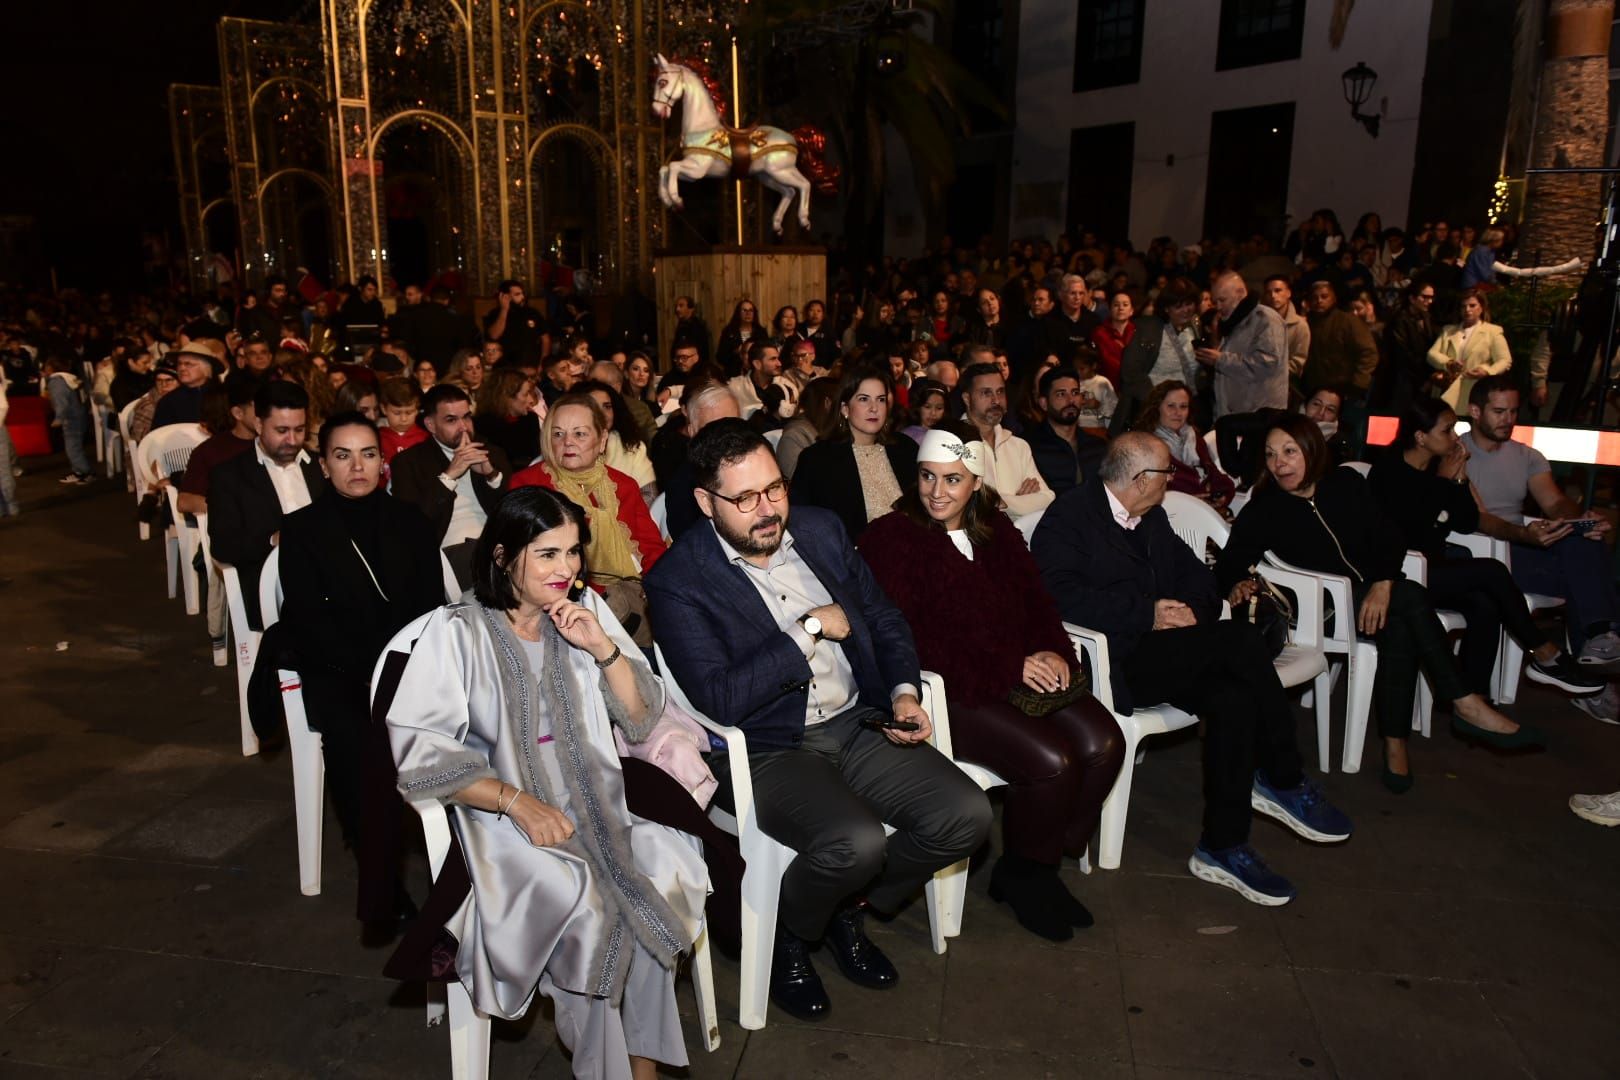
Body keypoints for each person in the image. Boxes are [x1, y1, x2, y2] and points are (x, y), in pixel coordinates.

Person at [644, 420, 991, 1021]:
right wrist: (805, 630)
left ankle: (840, 910)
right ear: (705, 502)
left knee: (965, 817)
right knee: (852, 842)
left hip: (858, 720)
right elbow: (723, 699)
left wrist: (906, 694)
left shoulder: (821, 530)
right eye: (745, 497)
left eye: (775, 488)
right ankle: (785, 936)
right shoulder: (678, 580)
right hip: (767, 747)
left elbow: (882, 618)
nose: (768, 509)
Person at [385, 487, 707, 1079]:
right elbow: (419, 750)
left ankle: (644, 1070)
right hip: (504, 820)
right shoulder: (458, 633)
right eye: (548, 555)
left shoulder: (579, 618)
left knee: (658, 876)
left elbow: (639, 717)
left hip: (599, 806)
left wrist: (605, 648)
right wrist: (516, 801)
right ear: (505, 556)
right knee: (585, 910)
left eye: (573, 553)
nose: (567, 570)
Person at [1032, 432, 1351, 905]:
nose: (1174, 478)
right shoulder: (1069, 520)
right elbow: (1057, 596)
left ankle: (1222, 846)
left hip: (1175, 649)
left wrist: (1189, 612)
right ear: (1140, 479)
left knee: (1234, 697)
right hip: (1115, 661)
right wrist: (1148, 613)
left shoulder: (1151, 516)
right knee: (1242, 642)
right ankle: (1283, 775)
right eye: (1166, 472)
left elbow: (1201, 579)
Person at [859, 429, 1123, 940]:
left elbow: (1038, 603)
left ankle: (1036, 857)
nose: (937, 492)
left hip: (1014, 673)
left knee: (1103, 742)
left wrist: (1053, 650)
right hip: (952, 688)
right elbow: (910, 640)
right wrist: (1010, 664)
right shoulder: (892, 538)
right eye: (928, 477)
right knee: (1052, 762)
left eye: (953, 480)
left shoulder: (997, 530)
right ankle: (1029, 876)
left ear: (977, 484)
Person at [1217, 414, 1543, 793]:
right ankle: (1462, 702)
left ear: (1311, 449)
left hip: (1375, 596)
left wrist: (1384, 582)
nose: (1280, 463)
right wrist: (1237, 582)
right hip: (1323, 610)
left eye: (1290, 451)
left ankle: (1397, 744)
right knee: (1410, 599)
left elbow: (1388, 536)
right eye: (1271, 455)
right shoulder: (1264, 509)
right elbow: (1226, 566)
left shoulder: (1345, 484)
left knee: (1400, 617)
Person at [275, 412, 445, 925]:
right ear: (324, 465)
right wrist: (372, 679)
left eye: (368, 454)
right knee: (361, 744)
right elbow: (308, 620)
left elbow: (429, 608)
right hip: (339, 673)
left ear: (383, 462)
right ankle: (384, 887)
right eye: (343, 455)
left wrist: (406, 674)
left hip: (406, 671)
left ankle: (467, 867)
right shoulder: (302, 530)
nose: (357, 466)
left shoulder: (410, 521)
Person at [1369, 397, 1602, 718]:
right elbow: (1409, 535)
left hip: (1433, 568)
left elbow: (1465, 520)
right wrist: (1442, 484)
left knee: (1485, 603)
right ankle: (1546, 653)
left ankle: (1471, 697)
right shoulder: (1389, 471)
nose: (1455, 438)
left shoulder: (1440, 467)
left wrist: (1459, 479)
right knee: (1491, 571)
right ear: (1421, 437)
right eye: (1447, 430)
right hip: (1399, 574)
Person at [1462, 376, 1620, 673]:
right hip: (1481, 550)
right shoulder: (1457, 454)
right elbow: (1477, 518)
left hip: (1521, 543)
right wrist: (1524, 534)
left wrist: (1581, 520)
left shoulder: (1527, 455)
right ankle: (1592, 660)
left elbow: (1555, 503)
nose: (1508, 420)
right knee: (1587, 578)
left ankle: (1597, 643)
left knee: (1585, 541)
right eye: (1499, 411)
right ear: (1475, 411)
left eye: (1513, 412)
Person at [511, 393, 666, 645]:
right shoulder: (528, 485)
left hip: (628, 604)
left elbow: (651, 550)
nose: (568, 443)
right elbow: (521, 559)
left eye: (580, 434)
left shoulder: (622, 485)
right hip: (557, 604)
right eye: (558, 434)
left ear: (602, 439)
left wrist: (655, 594)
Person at [208, 381, 327, 627]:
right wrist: (274, 540)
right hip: (272, 587)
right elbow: (223, 546)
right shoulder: (230, 475)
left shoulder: (321, 466)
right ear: (259, 424)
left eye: (300, 429)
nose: (292, 440)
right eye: (282, 430)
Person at [389, 384, 512, 589]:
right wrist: (449, 476)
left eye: (466, 417)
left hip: (498, 543)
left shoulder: (491, 451)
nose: (463, 427)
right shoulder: (408, 462)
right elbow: (411, 524)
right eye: (451, 420)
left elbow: (510, 508)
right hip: (451, 552)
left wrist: (491, 475)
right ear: (430, 424)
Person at [790, 366, 918, 543]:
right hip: (853, 560)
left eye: (881, 400)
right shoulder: (817, 460)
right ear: (845, 409)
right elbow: (802, 522)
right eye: (864, 399)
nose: (874, 408)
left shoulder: (905, 449)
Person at [959, 361, 1053, 520]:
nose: (996, 400)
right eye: (986, 393)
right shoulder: (954, 444)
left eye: (1000, 391)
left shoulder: (1019, 446)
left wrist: (1001, 501)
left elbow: (1048, 498)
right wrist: (1021, 502)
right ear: (967, 399)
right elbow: (971, 505)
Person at [1194, 272, 1287, 419]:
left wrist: (1220, 360)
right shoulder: (1232, 323)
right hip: (1235, 416)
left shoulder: (1266, 319)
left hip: (1258, 417)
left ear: (1240, 293)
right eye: (1215, 301)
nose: (1217, 306)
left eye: (1222, 300)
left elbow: (1266, 365)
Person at [1114, 277, 1200, 435]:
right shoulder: (1148, 328)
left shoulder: (1195, 328)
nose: (1186, 310)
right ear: (1166, 308)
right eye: (1178, 306)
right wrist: (1157, 404)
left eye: (1189, 304)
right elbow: (1131, 372)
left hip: (1187, 412)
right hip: (1154, 415)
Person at [1135, 381, 1233, 511]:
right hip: (1171, 515)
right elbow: (1145, 492)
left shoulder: (1194, 438)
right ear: (1156, 408)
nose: (1178, 412)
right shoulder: (1146, 445)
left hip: (1203, 510)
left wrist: (1222, 496)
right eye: (1171, 406)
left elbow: (1214, 475)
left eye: (1183, 406)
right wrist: (1190, 502)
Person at [1026, 365, 1105, 497]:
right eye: (1061, 394)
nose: (1071, 400)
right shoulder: (1028, 448)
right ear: (1044, 403)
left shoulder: (1098, 447)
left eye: (1075, 393)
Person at [1426, 289, 1511, 411]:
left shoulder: (1493, 332)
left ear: (1482, 307)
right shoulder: (1448, 330)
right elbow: (1431, 354)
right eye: (1463, 306)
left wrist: (1488, 372)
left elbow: (1505, 360)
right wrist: (1448, 363)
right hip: (1446, 389)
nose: (1467, 310)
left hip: (1475, 390)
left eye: (1472, 305)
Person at [1302, 279, 1379, 399]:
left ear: (1334, 298)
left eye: (1324, 296)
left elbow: (1368, 352)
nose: (1319, 301)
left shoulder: (1348, 321)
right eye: (1314, 297)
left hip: (1344, 387)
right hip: (1313, 387)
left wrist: (1359, 383)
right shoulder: (1305, 324)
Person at [579, 379, 657, 495]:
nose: (602, 414)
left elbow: (648, 495)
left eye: (607, 407)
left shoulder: (632, 446)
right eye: (593, 407)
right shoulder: (565, 446)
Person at [1376, 280, 1437, 412]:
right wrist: (1423, 379)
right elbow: (1401, 355)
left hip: (1417, 379)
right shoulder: (1399, 320)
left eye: (1431, 297)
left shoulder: (1426, 318)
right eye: (1424, 297)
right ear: (1412, 298)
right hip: (1400, 381)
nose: (1429, 301)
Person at [1459, 226, 1581, 289]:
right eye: (1501, 240)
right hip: (1473, 286)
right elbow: (1485, 274)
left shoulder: (1488, 252)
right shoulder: (1482, 251)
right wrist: (1497, 284)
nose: (1502, 243)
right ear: (1494, 240)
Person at [41, 354, 95, 485]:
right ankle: (79, 471)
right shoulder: (70, 379)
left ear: (50, 368)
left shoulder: (56, 382)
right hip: (79, 415)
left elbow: (61, 402)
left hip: (71, 419)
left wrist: (59, 418)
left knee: (72, 447)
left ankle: (84, 472)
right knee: (75, 446)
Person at [473, 367, 542, 467]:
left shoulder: (530, 420)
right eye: (525, 394)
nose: (531, 400)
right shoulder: (483, 425)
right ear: (507, 396)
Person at [776, 376, 839, 481]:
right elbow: (804, 483)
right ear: (827, 403)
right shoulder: (794, 437)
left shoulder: (833, 430)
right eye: (842, 403)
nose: (847, 409)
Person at [482, 279, 551, 368]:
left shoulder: (533, 313)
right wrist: (504, 310)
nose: (522, 297)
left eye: (522, 293)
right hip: (506, 367)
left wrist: (542, 365)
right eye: (517, 294)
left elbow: (546, 340)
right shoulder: (495, 314)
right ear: (505, 296)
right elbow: (494, 336)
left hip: (531, 365)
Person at [726, 341, 795, 427]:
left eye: (778, 358)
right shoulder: (735, 387)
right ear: (757, 364)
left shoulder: (787, 388)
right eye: (773, 359)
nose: (779, 363)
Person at [1262, 275, 1311, 391]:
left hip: (1287, 387)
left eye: (1278, 290)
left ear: (1288, 293)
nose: (1273, 296)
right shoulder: (1260, 322)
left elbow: (1298, 362)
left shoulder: (1300, 326)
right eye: (1269, 292)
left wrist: (1269, 370)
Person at [1089, 290, 1135, 385]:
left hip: (1133, 386)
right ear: (1110, 309)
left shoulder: (1139, 332)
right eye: (1116, 305)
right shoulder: (1099, 333)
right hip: (1105, 386)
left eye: (1125, 305)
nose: (1121, 308)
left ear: (1131, 311)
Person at [378, 377, 428, 464]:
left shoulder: (425, 439)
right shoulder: (377, 437)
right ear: (384, 409)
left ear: (417, 410)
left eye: (409, 412)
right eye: (397, 413)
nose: (403, 419)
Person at [715, 299, 761, 377]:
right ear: (738, 313)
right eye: (744, 310)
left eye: (751, 310)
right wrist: (736, 351)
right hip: (734, 373)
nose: (748, 313)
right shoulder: (729, 332)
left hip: (757, 373)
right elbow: (720, 357)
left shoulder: (761, 332)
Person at [897, 376, 949, 444]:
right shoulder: (907, 435)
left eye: (939, 408)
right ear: (918, 407)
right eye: (927, 407)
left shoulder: (948, 435)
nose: (933, 413)